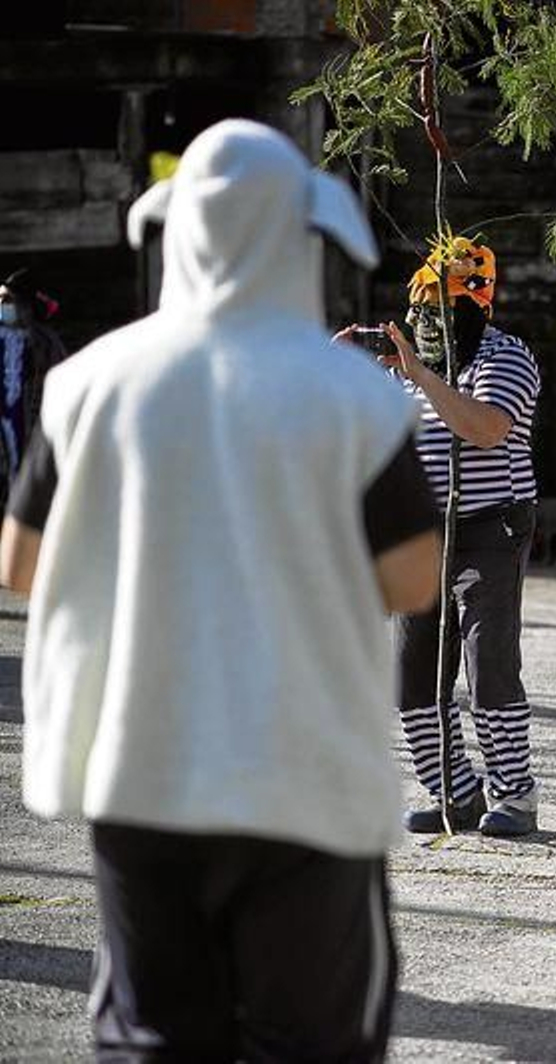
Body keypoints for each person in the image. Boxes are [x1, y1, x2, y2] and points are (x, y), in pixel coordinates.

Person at [0, 119, 440, 1061]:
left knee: (155, 1038)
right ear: (302, 235)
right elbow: (412, 579)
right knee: (311, 1044)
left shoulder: (90, 383)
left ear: (180, 231)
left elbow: (20, 566)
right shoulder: (353, 394)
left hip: (141, 769)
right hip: (304, 773)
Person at [343, 234, 545, 837]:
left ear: (473, 305)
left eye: (438, 307)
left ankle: (515, 795)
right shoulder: (406, 369)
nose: (424, 320)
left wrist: (422, 375)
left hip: (491, 526)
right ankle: (453, 791)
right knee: (412, 673)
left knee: (489, 664)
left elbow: (485, 429)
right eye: (419, 307)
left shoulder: (505, 357)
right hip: (420, 532)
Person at [0, 268, 68, 501]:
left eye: (8, 300)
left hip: (33, 448)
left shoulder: (43, 343)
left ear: (27, 306)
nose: (3, 306)